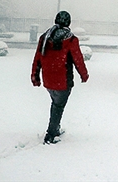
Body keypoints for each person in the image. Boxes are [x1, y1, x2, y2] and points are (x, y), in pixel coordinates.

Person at [31, 10, 89, 144]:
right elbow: (78, 59)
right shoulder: (71, 39)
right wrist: (84, 75)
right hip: (63, 81)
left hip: (48, 80)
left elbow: (38, 57)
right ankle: (51, 134)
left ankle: (55, 128)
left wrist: (35, 76)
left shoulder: (45, 37)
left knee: (56, 103)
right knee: (58, 106)